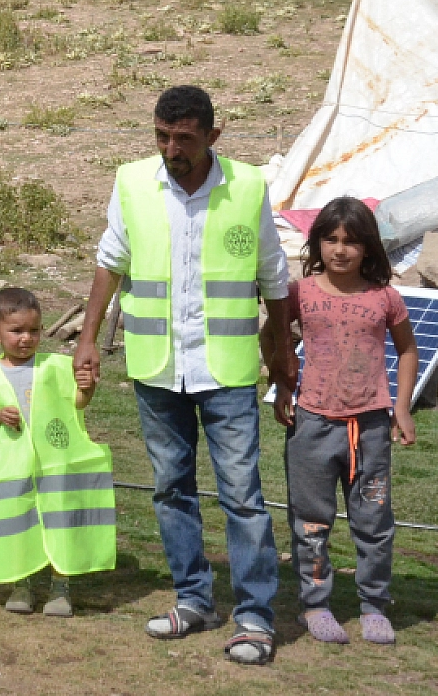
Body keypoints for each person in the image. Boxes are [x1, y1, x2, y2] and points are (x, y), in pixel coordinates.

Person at [74, 85, 292, 666]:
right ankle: (194, 599)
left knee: (242, 496)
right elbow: (109, 262)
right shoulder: (131, 183)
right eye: (162, 136)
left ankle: (254, 617)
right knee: (172, 488)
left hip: (225, 372)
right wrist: (88, 338)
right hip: (157, 368)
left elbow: (275, 279)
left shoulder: (247, 188)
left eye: (185, 139)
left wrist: (284, 358)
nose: (172, 148)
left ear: (212, 137)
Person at [278, 197, 416, 646]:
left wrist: (401, 406)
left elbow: (408, 349)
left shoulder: (385, 298)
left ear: (368, 247)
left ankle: (374, 605)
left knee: (374, 521)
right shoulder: (301, 293)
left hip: (370, 429)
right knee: (312, 521)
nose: (340, 250)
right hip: (312, 425)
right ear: (317, 243)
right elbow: (273, 336)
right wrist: (282, 385)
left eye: (351, 241)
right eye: (330, 239)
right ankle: (315, 605)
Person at [0, 288, 115, 619]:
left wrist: (87, 388)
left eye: (34, 330)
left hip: (56, 466)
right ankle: (21, 583)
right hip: (13, 468)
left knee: (61, 523)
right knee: (19, 525)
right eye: (16, 331)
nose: (27, 338)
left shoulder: (57, 367)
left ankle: (61, 586)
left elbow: (77, 405)